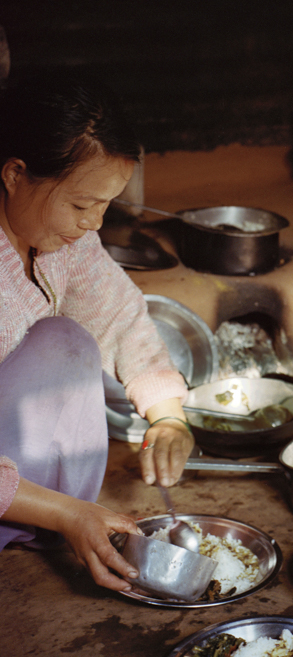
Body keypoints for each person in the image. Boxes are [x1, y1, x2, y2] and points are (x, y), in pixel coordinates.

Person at [0, 77, 193, 590]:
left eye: (106, 205)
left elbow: (119, 317)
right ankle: (53, 515)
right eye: (83, 204)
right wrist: (70, 515)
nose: (94, 223)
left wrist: (168, 416)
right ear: (16, 174)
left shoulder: (62, 238)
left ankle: (37, 519)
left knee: (68, 341)